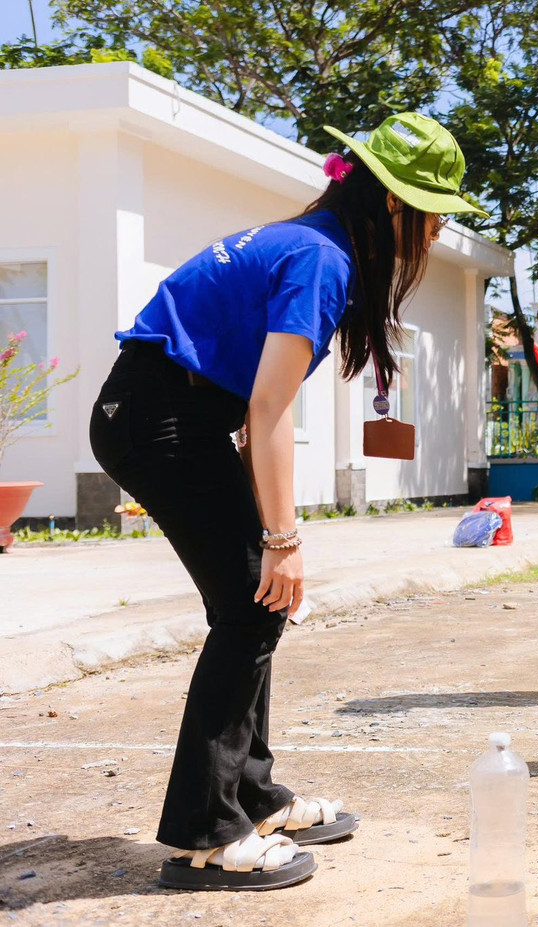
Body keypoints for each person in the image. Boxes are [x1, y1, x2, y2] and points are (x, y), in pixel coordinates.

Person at [87, 113, 483, 890]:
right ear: (394, 202)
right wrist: (282, 538)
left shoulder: (317, 246)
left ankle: (252, 796)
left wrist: (273, 541)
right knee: (251, 606)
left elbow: (250, 415)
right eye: (433, 211)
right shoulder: (322, 258)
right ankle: (205, 832)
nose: (437, 229)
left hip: (172, 414)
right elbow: (268, 411)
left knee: (256, 601)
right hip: (155, 417)